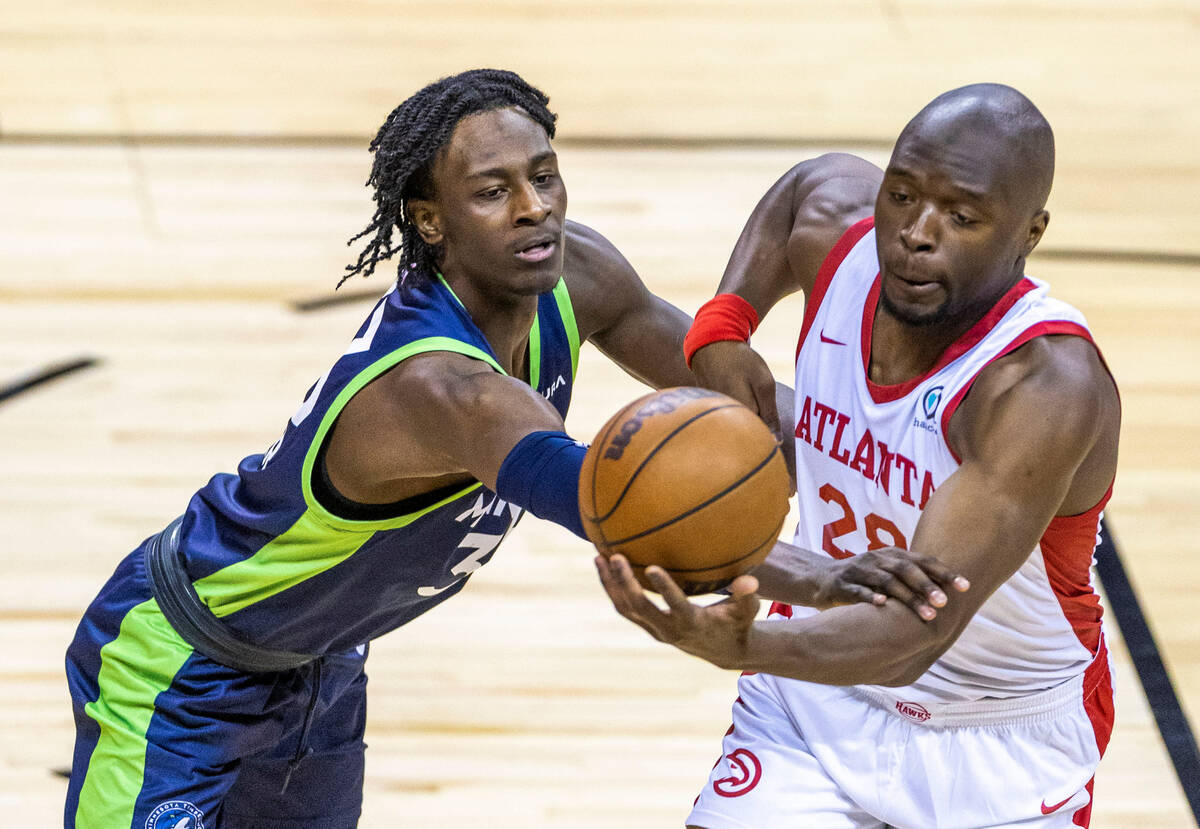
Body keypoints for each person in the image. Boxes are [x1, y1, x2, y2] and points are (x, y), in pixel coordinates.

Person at [64, 69, 964, 829]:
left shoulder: (578, 273)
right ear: (430, 221)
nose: (535, 208)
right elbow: (633, 512)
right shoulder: (440, 388)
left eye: (544, 176)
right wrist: (831, 579)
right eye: (493, 192)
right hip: (177, 667)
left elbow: (745, 401)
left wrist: (909, 456)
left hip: (322, 664)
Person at [597, 83, 1121, 828]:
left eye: (962, 217)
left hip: (997, 732)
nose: (915, 232)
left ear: (1029, 232)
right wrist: (723, 323)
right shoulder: (842, 243)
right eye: (901, 195)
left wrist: (746, 643)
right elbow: (804, 190)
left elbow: (912, 636)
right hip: (818, 698)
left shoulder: (1040, 386)